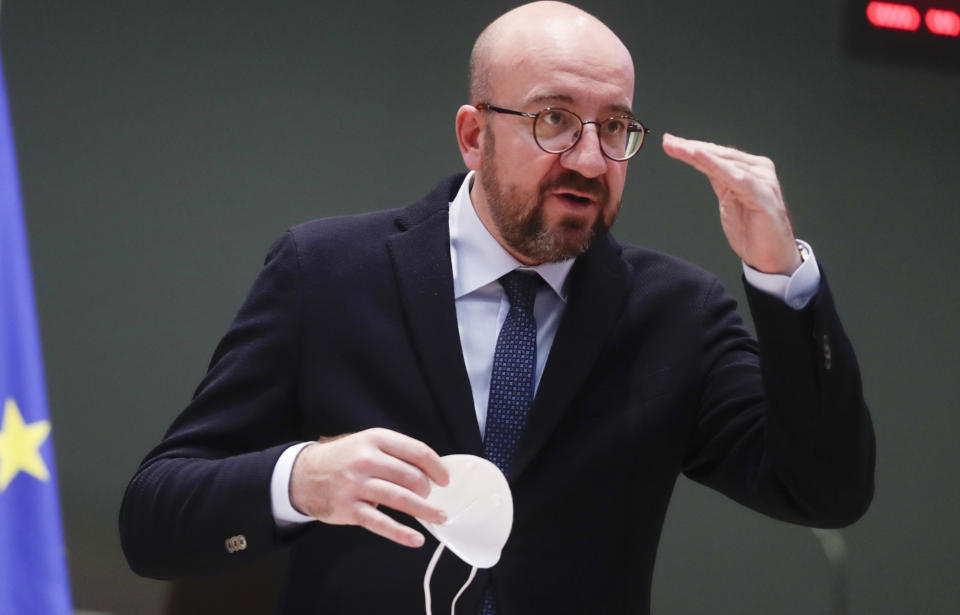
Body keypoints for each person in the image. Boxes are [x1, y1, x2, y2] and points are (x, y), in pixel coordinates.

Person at [119, 2, 875, 613]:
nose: (588, 158)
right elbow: (153, 521)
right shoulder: (327, 272)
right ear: (474, 135)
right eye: (554, 118)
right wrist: (300, 479)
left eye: (613, 127)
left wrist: (781, 277)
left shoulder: (676, 315)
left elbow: (826, 489)